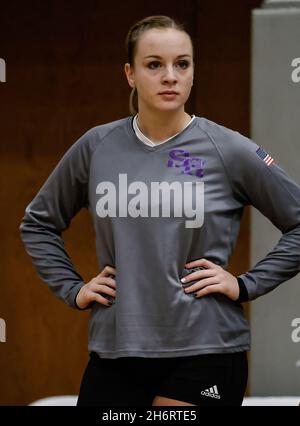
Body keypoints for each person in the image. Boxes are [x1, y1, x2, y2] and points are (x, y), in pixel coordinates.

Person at [19, 15, 300, 407]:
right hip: (116, 352)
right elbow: (38, 224)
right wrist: (74, 289)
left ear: (192, 72)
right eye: (154, 64)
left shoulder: (230, 149)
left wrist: (245, 284)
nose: (170, 76)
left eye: (182, 64)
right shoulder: (96, 146)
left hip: (207, 350)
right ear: (130, 74)